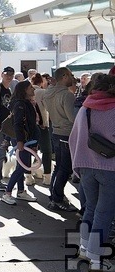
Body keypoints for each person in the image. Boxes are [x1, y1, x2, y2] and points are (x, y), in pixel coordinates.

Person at [69, 74, 115, 271]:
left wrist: (78, 166)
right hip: (110, 168)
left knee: (90, 209)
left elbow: (74, 138)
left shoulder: (85, 108)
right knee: (104, 213)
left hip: (86, 166)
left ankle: (84, 248)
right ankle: (96, 259)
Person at [43, 67, 78, 212]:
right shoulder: (67, 95)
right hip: (66, 133)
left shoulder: (48, 93)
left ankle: (54, 196)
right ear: (64, 76)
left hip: (56, 132)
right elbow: (73, 118)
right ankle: (57, 199)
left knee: (59, 166)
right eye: (70, 75)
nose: (72, 78)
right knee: (65, 168)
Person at [0, 81, 39, 205]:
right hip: (22, 140)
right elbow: (18, 124)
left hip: (26, 140)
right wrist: (21, 141)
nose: (33, 89)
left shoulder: (25, 103)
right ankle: (7, 193)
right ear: (24, 90)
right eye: (30, 87)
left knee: (22, 166)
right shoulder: (20, 104)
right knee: (22, 166)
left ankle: (21, 191)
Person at [31, 73, 52, 186]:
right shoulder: (42, 92)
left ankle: (28, 176)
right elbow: (48, 107)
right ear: (41, 82)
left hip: (29, 126)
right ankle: (47, 176)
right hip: (42, 124)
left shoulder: (26, 91)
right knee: (46, 150)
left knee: (29, 150)